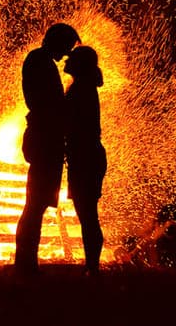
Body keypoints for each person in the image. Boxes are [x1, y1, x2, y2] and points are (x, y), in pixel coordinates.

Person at [14, 23, 80, 274]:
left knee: (36, 204)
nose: (66, 54)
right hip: (44, 138)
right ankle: (26, 265)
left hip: (44, 138)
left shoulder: (40, 60)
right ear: (57, 41)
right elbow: (48, 103)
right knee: (35, 205)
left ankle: (27, 263)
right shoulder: (40, 61)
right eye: (66, 47)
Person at [64, 46, 107, 275]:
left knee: (88, 214)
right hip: (87, 156)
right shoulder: (83, 87)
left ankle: (92, 267)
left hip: (86, 157)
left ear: (79, 64)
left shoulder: (81, 89)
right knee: (87, 213)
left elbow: (73, 124)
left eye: (70, 58)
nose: (65, 62)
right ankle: (92, 266)